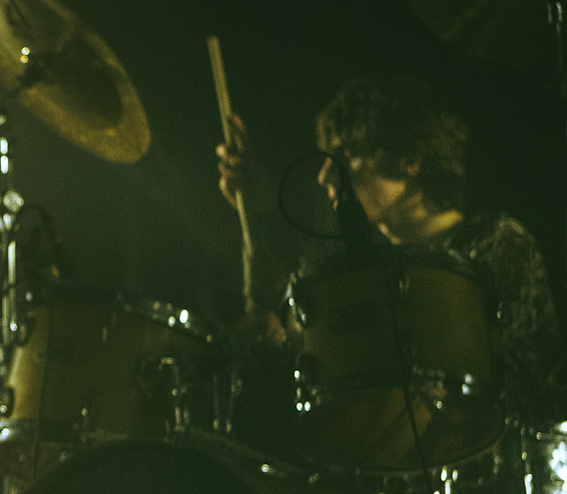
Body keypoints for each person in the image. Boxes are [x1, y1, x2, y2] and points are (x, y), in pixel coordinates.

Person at [216, 75, 563, 429]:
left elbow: (445, 351)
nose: (324, 176)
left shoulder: (499, 244)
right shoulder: (382, 267)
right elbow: (275, 324)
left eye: (346, 155)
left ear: (408, 158)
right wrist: (259, 216)